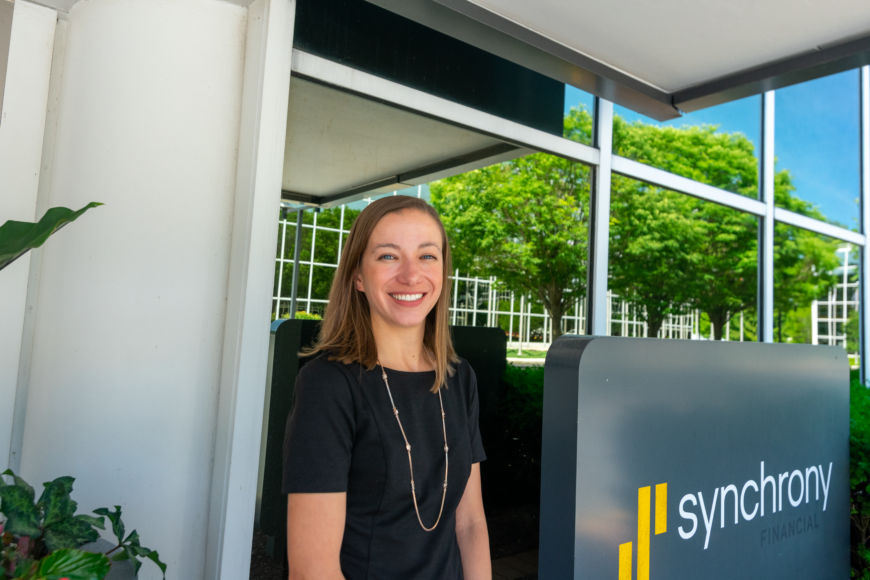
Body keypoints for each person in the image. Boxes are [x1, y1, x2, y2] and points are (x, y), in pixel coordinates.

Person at [282, 195, 491, 579]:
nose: (411, 276)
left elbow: (470, 523)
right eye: (388, 256)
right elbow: (313, 572)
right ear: (358, 276)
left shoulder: (459, 378)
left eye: (427, 256)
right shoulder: (328, 385)